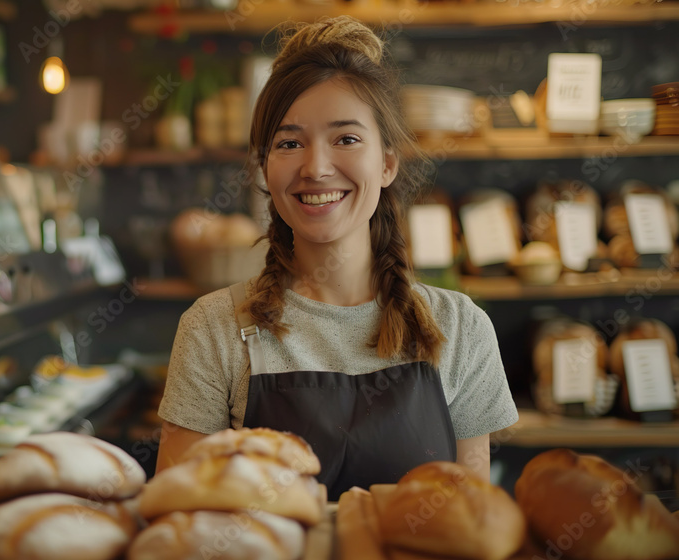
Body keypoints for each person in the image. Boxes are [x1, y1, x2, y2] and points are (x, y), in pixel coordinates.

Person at [155, 16, 518, 499]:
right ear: (265, 166)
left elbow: (470, 525)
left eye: (346, 139)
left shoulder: (461, 329)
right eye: (289, 143)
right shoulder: (213, 328)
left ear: (387, 162)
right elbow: (179, 517)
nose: (316, 167)